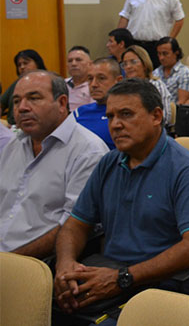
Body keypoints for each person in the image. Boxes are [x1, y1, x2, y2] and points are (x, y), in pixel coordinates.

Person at [54, 79, 189, 318]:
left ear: (156, 116)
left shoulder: (185, 168)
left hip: (159, 284)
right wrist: (65, 264)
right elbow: (76, 224)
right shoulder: (109, 162)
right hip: (108, 271)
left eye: (126, 114)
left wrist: (124, 278)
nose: (115, 125)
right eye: (110, 117)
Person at [0, 71, 108, 256]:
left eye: (34, 98)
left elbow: (74, 226)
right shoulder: (14, 145)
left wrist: (12, 261)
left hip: (38, 262)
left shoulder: (87, 151)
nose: (22, 108)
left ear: (62, 103)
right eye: (16, 101)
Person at [117, 0, 185, 68]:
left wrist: (170, 40)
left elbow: (179, 19)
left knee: (154, 74)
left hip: (156, 45)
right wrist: (119, 38)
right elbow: (125, 16)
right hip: (135, 44)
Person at [74, 57, 124, 149]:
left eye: (101, 78)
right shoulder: (79, 113)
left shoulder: (128, 113)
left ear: (118, 80)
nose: (93, 84)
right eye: (90, 79)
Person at [120, 46, 173, 126]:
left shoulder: (156, 85)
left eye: (133, 62)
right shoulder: (123, 88)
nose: (128, 67)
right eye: (125, 64)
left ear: (145, 64)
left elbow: (164, 117)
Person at [0, 49, 46, 125]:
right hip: (12, 126)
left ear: (37, 63)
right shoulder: (17, 83)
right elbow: (1, 103)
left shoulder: (48, 82)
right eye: (19, 65)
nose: (22, 67)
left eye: (25, 63)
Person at [153, 37, 189, 104]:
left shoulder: (185, 74)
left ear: (176, 53)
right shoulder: (155, 72)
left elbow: (181, 104)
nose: (161, 58)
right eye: (159, 54)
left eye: (165, 53)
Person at [66, 46, 94, 111]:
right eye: (70, 61)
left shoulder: (95, 85)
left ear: (90, 64)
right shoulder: (62, 84)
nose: (73, 64)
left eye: (78, 60)